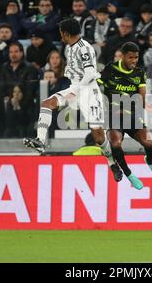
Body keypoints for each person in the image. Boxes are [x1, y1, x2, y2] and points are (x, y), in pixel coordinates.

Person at [23, 18, 123, 182]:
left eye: (61, 32)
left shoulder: (84, 49)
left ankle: (113, 163)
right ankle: (40, 141)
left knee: (98, 136)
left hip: (89, 91)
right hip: (75, 87)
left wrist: (76, 91)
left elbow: (90, 74)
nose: (60, 35)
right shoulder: (69, 48)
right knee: (47, 104)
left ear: (66, 33)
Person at [98, 42, 152, 190]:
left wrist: (146, 104)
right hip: (113, 116)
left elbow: (142, 94)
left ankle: (150, 161)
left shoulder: (139, 73)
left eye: (136, 57)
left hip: (133, 116)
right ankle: (129, 174)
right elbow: (95, 85)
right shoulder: (111, 69)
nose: (134, 60)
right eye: (130, 57)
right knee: (115, 143)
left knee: (150, 144)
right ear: (122, 56)